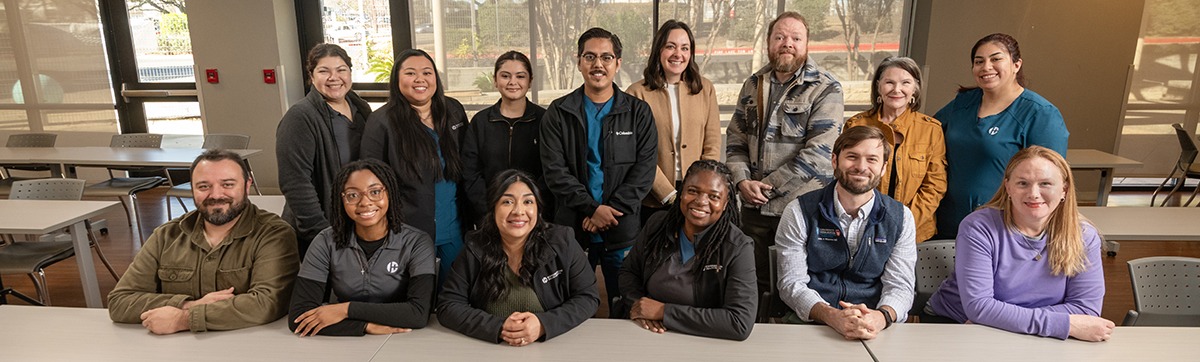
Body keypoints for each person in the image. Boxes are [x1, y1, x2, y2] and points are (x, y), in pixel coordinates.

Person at [926, 146, 1113, 341]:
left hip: (1011, 330)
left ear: (1064, 190)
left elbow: (1085, 309)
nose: (1033, 193)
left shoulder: (1084, 235)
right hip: (955, 325)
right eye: (1023, 183)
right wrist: (1065, 324)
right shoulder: (978, 228)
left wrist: (1001, 319)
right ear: (1008, 187)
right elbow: (979, 307)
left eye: (1045, 184)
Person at [108, 149, 299, 334]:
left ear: (247, 184)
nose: (216, 195)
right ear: (192, 188)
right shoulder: (166, 235)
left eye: (228, 184)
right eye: (204, 186)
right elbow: (120, 302)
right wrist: (189, 304)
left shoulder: (274, 234)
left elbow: (267, 304)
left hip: (247, 344)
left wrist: (182, 319)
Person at [726, 11, 845, 295]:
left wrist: (769, 186)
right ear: (769, 42)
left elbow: (819, 152)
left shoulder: (827, 88)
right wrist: (742, 181)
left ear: (806, 44)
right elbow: (735, 140)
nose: (787, 43)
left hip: (800, 209)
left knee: (796, 287)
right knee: (751, 285)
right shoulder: (753, 84)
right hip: (753, 209)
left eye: (795, 38)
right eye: (779, 37)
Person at [540, 27, 657, 313]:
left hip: (621, 228)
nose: (598, 64)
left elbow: (643, 172)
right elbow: (555, 172)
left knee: (626, 304)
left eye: (606, 57)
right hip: (572, 228)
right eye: (589, 56)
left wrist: (608, 211)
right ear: (578, 61)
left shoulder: (638, 113)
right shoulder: (559, 112)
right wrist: (592, 209)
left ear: (618, 63)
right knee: (569, 304)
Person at [776, 126, 916, 340]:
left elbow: (901, 286)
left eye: (872, 159)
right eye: (852, 157)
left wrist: (880, 317)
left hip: (875, 324)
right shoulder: (799, 211)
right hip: (812, 321)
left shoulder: (901, 218)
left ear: (884, 168)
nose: (861, 167)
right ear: (834, 160)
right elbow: (791, 283)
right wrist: (831, 316)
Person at [438, 170, 599, 346]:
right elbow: (449, 305)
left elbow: (588, 297)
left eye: (528, 201)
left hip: (552, 347)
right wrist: (498, 327)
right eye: (507, 202)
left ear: (538, 209)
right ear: (493, 209)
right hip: (489, 349)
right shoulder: (475, 247)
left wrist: (544, 324)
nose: (518, 211)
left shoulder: (562, 241)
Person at [934, 33, 1069, 239]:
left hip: (1003, 228)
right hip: (948, 222)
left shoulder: (1040, 113)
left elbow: (1050, 180)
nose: (986, 67)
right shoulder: (963, 103)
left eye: (996, 59)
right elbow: (927, 132)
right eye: (979, 61)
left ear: (1016, 64)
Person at [288, 159, 435, 336]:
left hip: (405, 337)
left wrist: (345, 310)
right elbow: (298, 317)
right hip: (349, 343)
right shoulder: (325, 241)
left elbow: (418, 314)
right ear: (340, 199)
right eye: (352, 195)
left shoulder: (417, 242)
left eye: (375, 192)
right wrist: (365, 327)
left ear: (390, 193)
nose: (365, 202)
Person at [618, 160, 757, 341]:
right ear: (681, 192)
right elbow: (629, 272)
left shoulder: (738, 247)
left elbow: (739, 322)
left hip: (704, 340)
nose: (701, 202)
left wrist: (663, 312)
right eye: (693, 191)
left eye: (714, 196)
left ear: (725, 203)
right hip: (645, 331)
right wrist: (639, 306)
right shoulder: (658, 225)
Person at [361, 49, 467, 284]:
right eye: (410, 73)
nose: (420, 79)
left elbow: (467, 164)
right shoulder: (381, 123)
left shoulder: (453, 111)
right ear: (397, 79)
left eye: (427, 72)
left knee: (456, 293)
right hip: (407, 231)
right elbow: (370, 183)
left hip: (453, 226)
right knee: (419, 298)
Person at [277, 43, 372, 257]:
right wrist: (322, 235)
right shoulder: (300, 117)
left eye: (341, 70)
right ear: (311, 76)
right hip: (320, 230)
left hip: (356, 219)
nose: (334, 77)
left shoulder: (362, 110)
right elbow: (296, 183)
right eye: (323, 71)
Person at [625, 20, 722, 223]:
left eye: (685, 48)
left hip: (698, 199)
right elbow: (635, 152)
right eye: (671, 46)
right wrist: (668, 194)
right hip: (652, 199)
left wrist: (701, 190)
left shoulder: (705, 89)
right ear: (659, 50)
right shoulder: (636, 93)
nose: (678, 54)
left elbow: (712, 144)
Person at [845, 57, 947, 243]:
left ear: (915, 88)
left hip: (914, 233)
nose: (896, 89)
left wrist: (903, 224)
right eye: (889, 82)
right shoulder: (856, 124)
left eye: (905, 83)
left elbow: (935, 186)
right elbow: (846, 176)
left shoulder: (931, 130)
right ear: (878, 87)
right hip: (863, 229)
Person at [462, 51, 550, 221]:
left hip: (535, 216)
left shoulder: (545, 120)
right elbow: (470, 173)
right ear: (495, 80)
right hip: (489, 216)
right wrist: (489, 211)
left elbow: (551, 170)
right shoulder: (481, 122)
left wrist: (531, 207)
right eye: (505, 76)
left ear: (530, 81)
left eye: (520, 76)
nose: (513, 82)